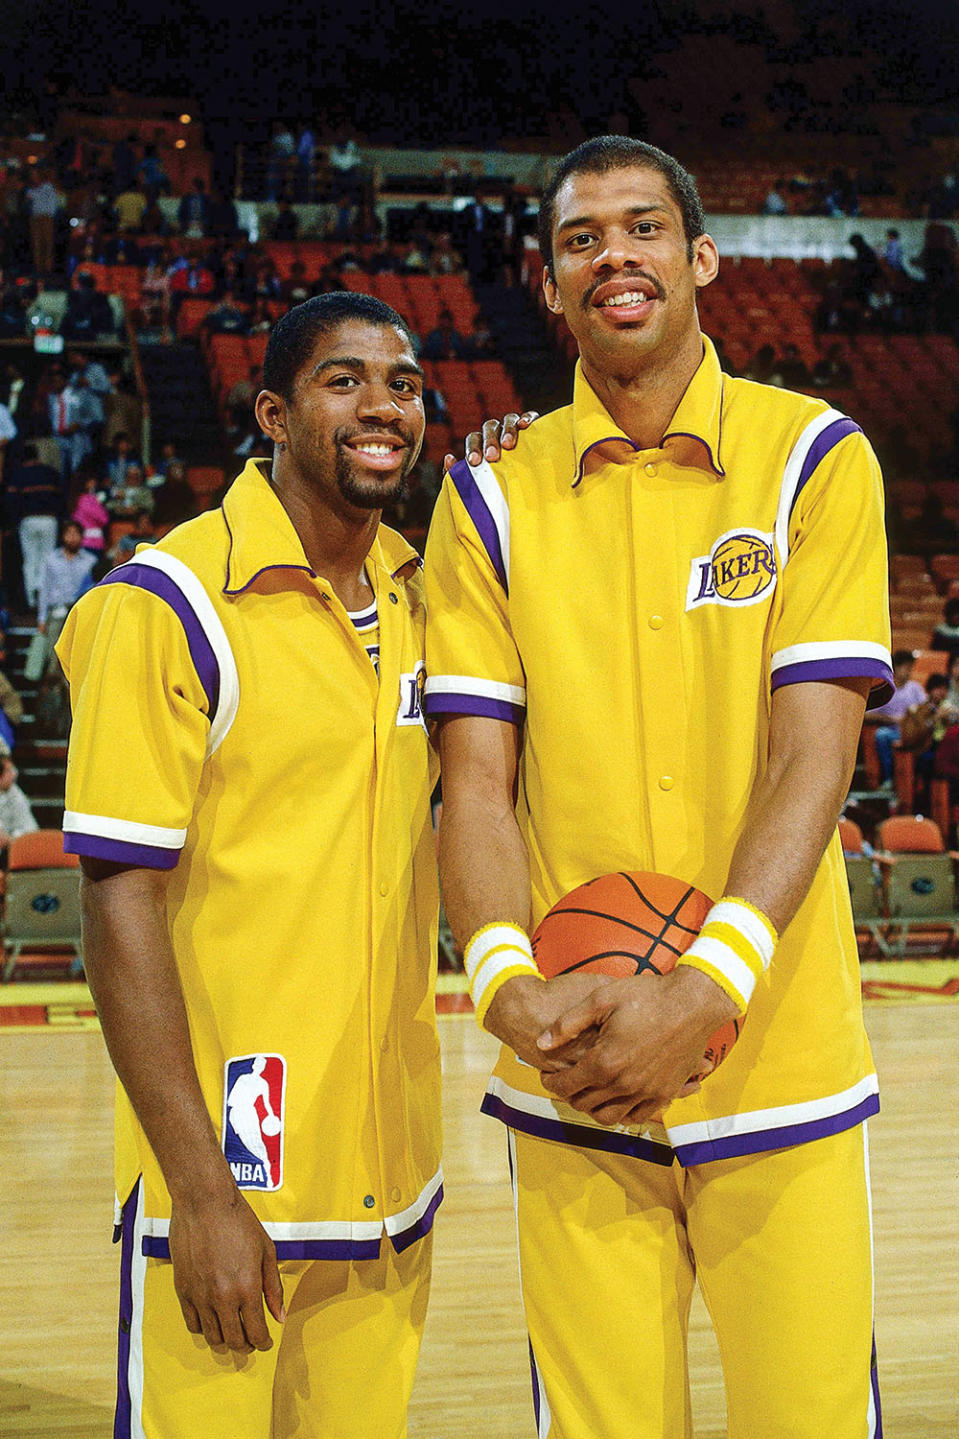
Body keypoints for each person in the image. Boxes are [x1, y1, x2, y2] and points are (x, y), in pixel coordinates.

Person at [424, 137, 892, 1439]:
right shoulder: (488, 493)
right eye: (581, 239)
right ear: (546, 281)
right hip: (573, 1069)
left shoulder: (812, 456)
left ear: (697, 258)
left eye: (641, 229)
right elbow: (470, 782)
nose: (612, 256)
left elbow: (816, 750)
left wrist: (708, 982)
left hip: (775, 1057)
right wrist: (511, 993)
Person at [56, 291, 443, 1439]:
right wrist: (201, 1191)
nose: (382, 404)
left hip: (390, 1176)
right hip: (234, 1178)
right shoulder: (164, 606)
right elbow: (118, 908)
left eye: (405, 382)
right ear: (272, 411)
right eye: (344, 378)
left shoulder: (429, 598)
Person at [867, 647, 927, 785]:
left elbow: (925, 709)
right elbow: (868, 715)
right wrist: (891, 719)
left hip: (912, 732)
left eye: (910, 668)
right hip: (893, 731)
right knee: (881, 735)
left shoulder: (915, 688)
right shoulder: (887, 688)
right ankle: (890, 777)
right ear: (896, 668)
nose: (909, 672)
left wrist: (911, 720)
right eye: (906, 668)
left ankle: (913, 780)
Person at [0, 744, 39, 846]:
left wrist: (9, 839)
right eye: (8, 771)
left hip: (7, 853)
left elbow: (31, 830)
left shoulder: (14, 793)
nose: (14, 774)